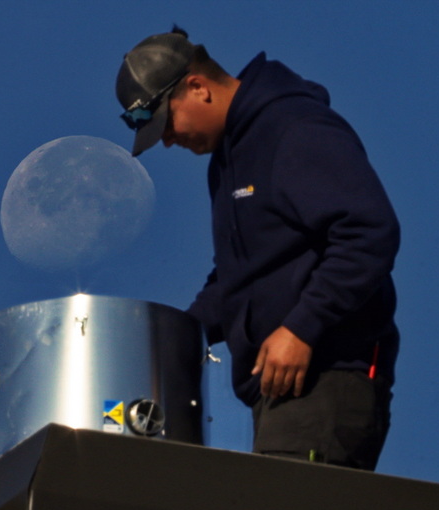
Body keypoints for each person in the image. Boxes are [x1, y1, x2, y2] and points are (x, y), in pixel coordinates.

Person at [116, 27, 400, 470]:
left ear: (197, 87)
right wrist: (176, 332)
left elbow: (369, 232)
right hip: (280, 394)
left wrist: (302, 328)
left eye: (165, 123)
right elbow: (240, 275)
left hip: (326, 378)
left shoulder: (293, 129)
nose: (168, 140)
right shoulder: (229, 160)